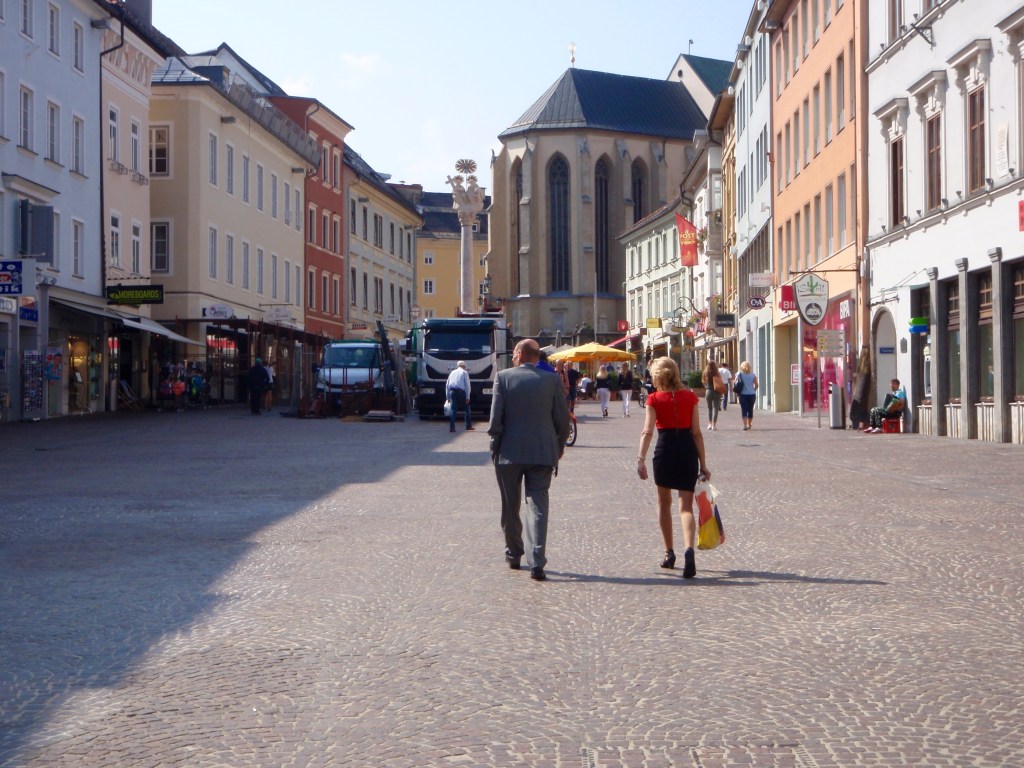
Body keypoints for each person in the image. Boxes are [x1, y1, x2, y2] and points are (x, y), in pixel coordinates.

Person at [488, 339, 571, 581]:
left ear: (522, 354)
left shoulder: (503, 378)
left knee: (510, 506)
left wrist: (495, 446)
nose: (513, 357)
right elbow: (563, 420)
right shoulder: (552, 380)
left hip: (508, 453)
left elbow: (495, 421)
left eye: (514, 353)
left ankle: (514, 553)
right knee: (538, 506)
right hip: (542, 453)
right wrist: (558, 445)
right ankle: (537, 561)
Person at [635, 357, 710, 579]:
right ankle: (689, 549)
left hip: (665, 450)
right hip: (687, 451)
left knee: (664, 503)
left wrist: (640, 458)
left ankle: (669, 553)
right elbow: (697, 433)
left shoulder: (654, 399)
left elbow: (647, 431)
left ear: (657, 376)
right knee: (686, 507)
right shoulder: (690, 397)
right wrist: (704, 464)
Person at [445, 360, 474, 432]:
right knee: (467, 409)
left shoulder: (452, 372)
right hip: (461, 392)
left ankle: (452, 428)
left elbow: (447, 385)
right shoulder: (464, 372)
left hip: (452, 392)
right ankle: (468, 426)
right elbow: (467, 385)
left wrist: (447, 397)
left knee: (453, 409)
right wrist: (467, 397)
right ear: (464, 366)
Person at [734, 360, 758, 431]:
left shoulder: (739, 374)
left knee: (744, 409)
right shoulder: (753, 375)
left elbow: (735, 382)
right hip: (752, 394)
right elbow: (756, 385)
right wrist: (753, 390)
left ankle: (744, 425)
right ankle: (749, 424)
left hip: (742, 394)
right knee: (750, 409)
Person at [701, 360, 724, 431]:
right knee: (715, 408)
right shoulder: (717, 373)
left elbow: (703, 382)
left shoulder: (705, 373)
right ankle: (714, 425)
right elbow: (720, 381)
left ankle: (710, 424)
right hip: (716, 391)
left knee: (709, 408)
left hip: (709, 391)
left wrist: (707, 386)